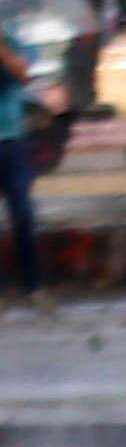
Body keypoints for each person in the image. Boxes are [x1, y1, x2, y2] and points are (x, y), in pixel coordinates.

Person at [0, 23, 38, 302]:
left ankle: (32, 285)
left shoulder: (10, 37)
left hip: (12, 140)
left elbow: (23, 75)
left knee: (22, 214)